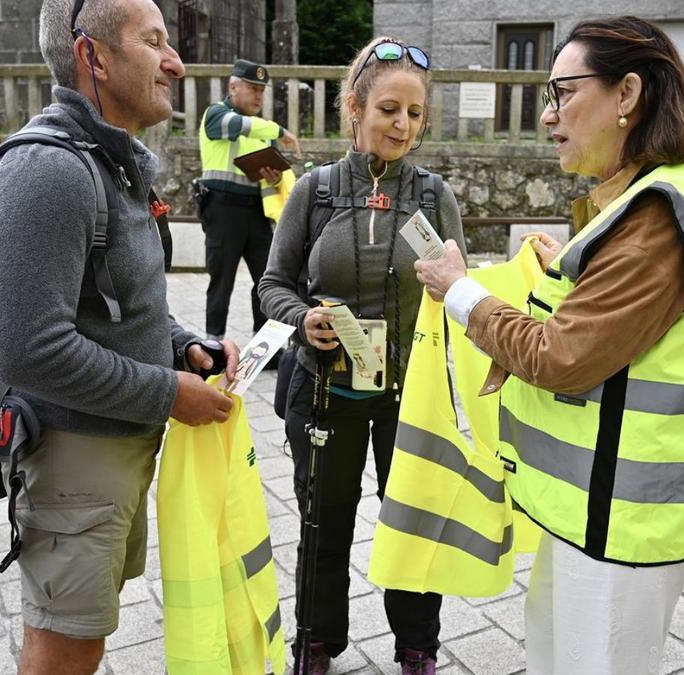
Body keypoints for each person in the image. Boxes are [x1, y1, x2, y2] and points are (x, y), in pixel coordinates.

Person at [416, 16, 684, 674]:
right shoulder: (653, 194)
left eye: (562, 91)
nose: (547, 116)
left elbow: (561, 357)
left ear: (627, 94)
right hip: (602, 511)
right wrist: (561, 270)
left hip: (622, 523)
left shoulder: (659, 213)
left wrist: (460, 290)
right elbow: (616, 326)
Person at [0, 1, 237, 672]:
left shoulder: (107, 161)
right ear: (94, 56)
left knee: (82, 637)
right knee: (65, 648)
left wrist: (181, 345)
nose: (176, 62)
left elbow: (114, 299)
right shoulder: (49, 172)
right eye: (154, 42)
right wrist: (168, 393)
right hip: (72, 459)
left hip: (110, 449)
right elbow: (27, 348)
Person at [260, 36, 466, 675]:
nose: (402, 124)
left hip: (410, 400)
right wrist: (304, 320)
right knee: (324, 528)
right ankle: (315, 645)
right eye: (388, 109)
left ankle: (417, 651)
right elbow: (272, 286)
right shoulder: (315, 193)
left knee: (411, 527)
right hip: (324, 394)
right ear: (355, 107)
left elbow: (462, 292)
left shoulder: (434, 198)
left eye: (413, 113)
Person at [198, 58, 301, 341]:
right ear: (233, 86)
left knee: (266, 280)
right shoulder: (216, 115)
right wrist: (280, 132)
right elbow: (240, 126)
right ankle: (213, 344)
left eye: (262, 90)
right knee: (222, 281)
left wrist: (275, 178)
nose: (259, 95)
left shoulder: (260, 129)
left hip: (255, 211)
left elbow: (273, 177)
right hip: (222, 208)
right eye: (253, 88)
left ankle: (264, 345)